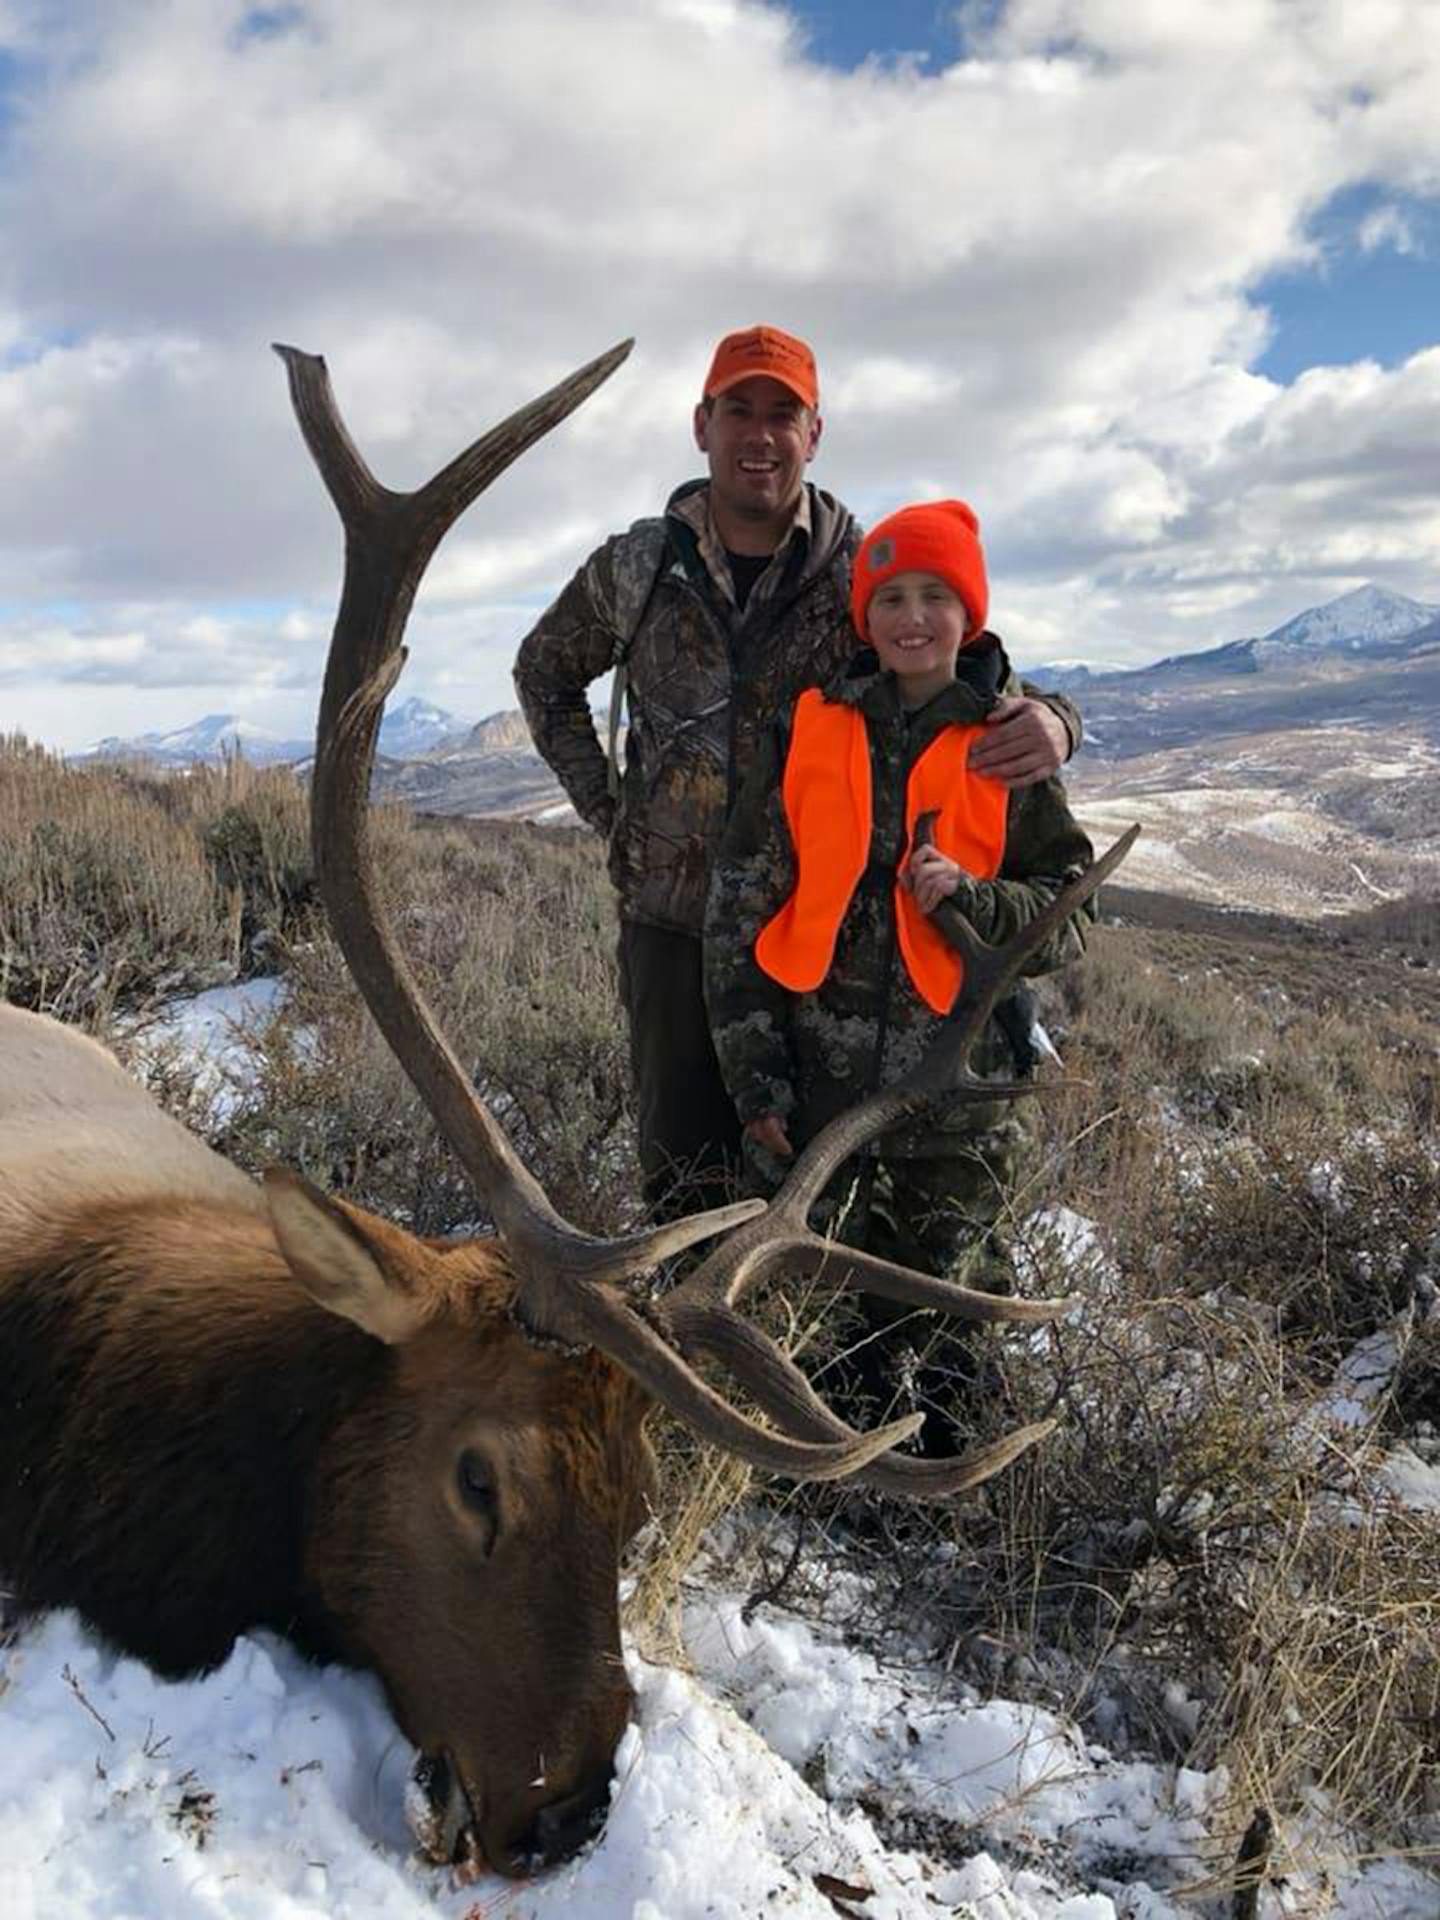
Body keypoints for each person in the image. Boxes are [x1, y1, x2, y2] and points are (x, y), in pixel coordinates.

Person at [514, 326, 1082, 1217]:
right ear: (701, 424)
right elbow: (543, 674)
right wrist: (611, 813)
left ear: (814, 435)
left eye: (785, 414)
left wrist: (1057, 718)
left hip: (818, 946)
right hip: (673, 928)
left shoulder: (860, 569)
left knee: (800, 1199)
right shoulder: (637, 566)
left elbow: (957, 669)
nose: (760, 434)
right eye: (738, 409)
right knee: (683, 1187)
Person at [703, 499, 1094, 1452]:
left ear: (971, 614)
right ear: (865, 616)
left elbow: (1072, 911)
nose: (912, 618)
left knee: (955, 1329)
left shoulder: (1009, 743)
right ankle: (824, 1512)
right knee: (820, 1336)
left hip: (959, 1113)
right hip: (820, 1103)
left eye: (936, 596)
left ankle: (955, 1507)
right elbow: (741, 908)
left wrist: (976, 903)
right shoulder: (817, 730)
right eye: (891, 598)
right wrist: (757, 1078)